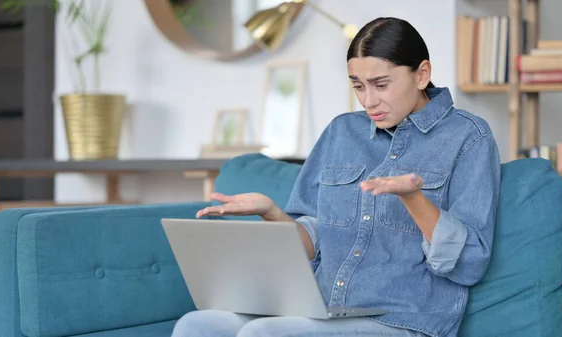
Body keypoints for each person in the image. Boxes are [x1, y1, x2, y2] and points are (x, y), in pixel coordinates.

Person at [171, 17, 501, 337]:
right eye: (358, 86)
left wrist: (413, 198)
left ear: (422, 74)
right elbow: (314, 242)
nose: (369, 100)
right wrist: (272, 213)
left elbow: (469, 263)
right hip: (323, 309)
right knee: (197, 324)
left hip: (405, 320)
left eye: (381, 85)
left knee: (265, 333)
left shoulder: (468, 137)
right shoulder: (342, 132)